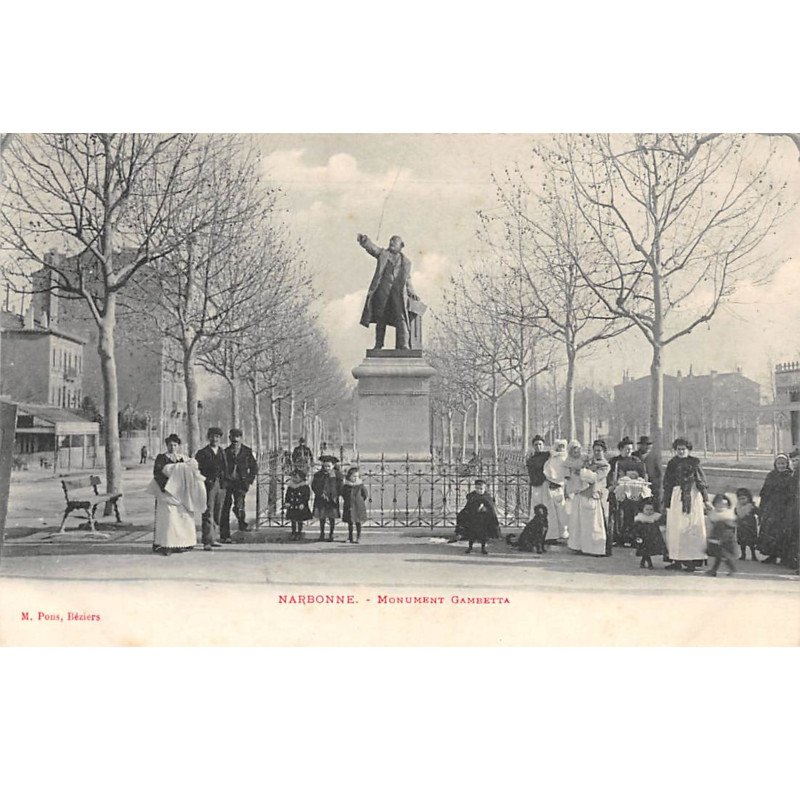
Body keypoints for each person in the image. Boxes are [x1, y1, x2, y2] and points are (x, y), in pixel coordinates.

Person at [356, 233, 421, 350]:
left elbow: (408, 279)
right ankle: (378, 344)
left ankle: (404, 344)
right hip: (383, 292)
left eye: (394, 242)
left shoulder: (406, 262)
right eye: (390, 241)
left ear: (401, 246)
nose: (391, 244)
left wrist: (412, 292)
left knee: (402, 318)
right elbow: (373, 249)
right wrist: (365, 241)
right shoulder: (383, 254)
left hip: (398, 294)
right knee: (381, 318)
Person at [146, 434, 206, 556]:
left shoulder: (183, 458)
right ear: (166, 445)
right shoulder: (161, 458)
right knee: (168, 519)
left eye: (175, 445)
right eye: (170, 445)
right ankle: (166, 544)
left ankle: (182, 543)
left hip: (182, 494)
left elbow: (191, 473)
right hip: (167, 493)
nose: (172, 447)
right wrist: (167, 488)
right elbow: (157, 474)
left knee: (182, 518)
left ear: (178, 446)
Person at [662, 438, 711, 572]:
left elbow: (701, 482)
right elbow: (667, 483)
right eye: (678, 449)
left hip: (692, 496)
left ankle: (691, 560)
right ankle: (676, 559)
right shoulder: (672, 463)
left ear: (688, 450)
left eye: (683, 449)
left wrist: (706, 500)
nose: (681, 451)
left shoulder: (695, 462)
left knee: (690, 528)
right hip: (676, 496)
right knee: (675, 528)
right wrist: (666, 500)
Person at [565, 440, 610, 556]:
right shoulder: (588, 462)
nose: (597, 453)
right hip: (581, 494)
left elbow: (594, 478)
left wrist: (582, 471)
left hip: (592, 495)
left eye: (599, 451)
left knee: (593, 524)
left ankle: (595, 548)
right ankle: (579, 546)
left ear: (604, 451)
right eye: (595, 450)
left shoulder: (605, 465)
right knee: (579, 523)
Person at [607, 437, 648, 547]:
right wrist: (612, 485)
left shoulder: (636, 461)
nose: (629, 451)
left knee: (632, 514)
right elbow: (610, 476)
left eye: (631, 449)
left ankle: (632, 537)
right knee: (619, 515)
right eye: (627, 449)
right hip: (619, 492)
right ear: (620, 449)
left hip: (633, 492)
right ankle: (618, 537)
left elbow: (643, 475)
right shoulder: (615, 461)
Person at [757, 454, 796, 565]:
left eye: (783, 463)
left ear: (787, 464)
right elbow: (764, 492)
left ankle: (783, 556)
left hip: (784, 508)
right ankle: (772, 555)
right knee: (770, 531)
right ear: (775, 464)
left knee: (783, 532)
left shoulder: (790, 476)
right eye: (779, 463)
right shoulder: (771, 475)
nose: (781, 466)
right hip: (771, 507)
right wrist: (763, 507)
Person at [220, 428, 258, 542]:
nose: (235, 439)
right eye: (233, 437)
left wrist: (249, 480)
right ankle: (225, 535)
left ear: (241, 438)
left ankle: (242, 526)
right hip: (228, 483)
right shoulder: (225, 452)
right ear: (230, 438)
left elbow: (254, 467)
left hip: (241, 483)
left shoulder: (247, 451)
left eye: (237, 437)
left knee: (239, 506)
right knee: (225, 508)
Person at [526, 435, 566, 541]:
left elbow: (559, 460)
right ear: (533, 446)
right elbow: (531, 474)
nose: (538, 446)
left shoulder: (548, 456)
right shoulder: (531, 459)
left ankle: (551, 536)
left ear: (543, 445)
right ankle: (535, 534)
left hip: (547, 485)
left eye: (540, 444)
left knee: (550, 510)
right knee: (537, 510)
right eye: (536, 445)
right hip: (537, 486)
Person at [195, 426, 228, 551]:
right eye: (213, 436)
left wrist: (225, 482)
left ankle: (214, 537)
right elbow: (197, 470)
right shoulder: (202, 453)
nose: (215, 439)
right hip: (208, 485)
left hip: (221, 485)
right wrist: (206, 480)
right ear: (209, 438)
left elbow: (226, 468)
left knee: (218, 511)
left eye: (218, 437)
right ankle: (207, 540)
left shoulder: (222, 452)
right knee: (208, 511)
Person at [456, 479, 501, 555]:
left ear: (485, 488)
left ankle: (483, 548)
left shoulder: (487, 497)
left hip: (483, 520)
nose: (479, 490)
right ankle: (470, 547)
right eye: (477, 488)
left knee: (483, 535)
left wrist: (485, 509)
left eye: (481, 489)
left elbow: (491, 508)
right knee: (471, 534)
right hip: (473, 519)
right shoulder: (472, 496)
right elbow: (468, 507)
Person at [542, 439, 569, 539]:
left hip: (561, 487)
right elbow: (548, 469)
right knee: (551, 512)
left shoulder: (566, 458)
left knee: (562, 512)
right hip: (550, 486)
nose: (561, 448)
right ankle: (552, 534)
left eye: (563, 446)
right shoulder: (552, 457)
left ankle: (563, 532)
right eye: (559, 446)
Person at [706, 493, 738, 577]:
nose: (720, 506)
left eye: (723, 504)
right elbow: (712, 523)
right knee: (719, 554)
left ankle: (731, 568)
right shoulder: (714, 513)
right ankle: (715, 570)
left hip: (725, 537)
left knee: (722, 554)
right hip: (716, 536)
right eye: (718, 503)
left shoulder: (728, 514)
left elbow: (731, 525)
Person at [312, 455, 342, 542]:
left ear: (333, 466)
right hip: (321, 499)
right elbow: (314, 486)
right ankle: (322, 533)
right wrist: (320, 494)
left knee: (331, 517)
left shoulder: (337, 475)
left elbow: (340, 487)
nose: (327, 468)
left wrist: (336, 495)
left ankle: (331, 534)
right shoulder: (318, 475)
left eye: (329, 466)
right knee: (322, 517)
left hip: (332, 499)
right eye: (325, 466)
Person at [633, 499, 666, 570]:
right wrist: (637, 536)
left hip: (652, 537)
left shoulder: (655, 517)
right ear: (643, 510)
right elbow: (637, 529)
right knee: (645, 550)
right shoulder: (640, 518)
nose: (649, 511)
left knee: (647, 551)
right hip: (643, 537)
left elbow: (660, 524)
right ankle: (649, 563)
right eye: (647, 509)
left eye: (651, 510)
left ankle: (643, 562)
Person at [341, 466, 368, 543]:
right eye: (353, 476)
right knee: (350, 522)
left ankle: (358, 536)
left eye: (357, 476)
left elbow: (365, 494)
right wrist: (348, 501)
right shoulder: (346, 486)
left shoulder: (360, 486)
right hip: (349, 505)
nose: (355, 478)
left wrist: (360, 501)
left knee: (358, 522)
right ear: (349, 477)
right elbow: (343, 494)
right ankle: (350, 537)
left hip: (358, 506)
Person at [284, 469, 312, 541]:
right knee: (293, 520)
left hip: (300, 506)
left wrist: (303, 503)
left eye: (296, 477)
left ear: (301, 478)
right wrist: (287, 502)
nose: (294, 479)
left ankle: (299, 533)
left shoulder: (304, 486)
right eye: (293, 477)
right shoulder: (291, 486)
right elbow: (287, 495)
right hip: (292, 505)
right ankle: (293, 533)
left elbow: (306, 496)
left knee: (299, 520)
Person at [634, 435, 662, 502]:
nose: (648, 447)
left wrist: (654, 484)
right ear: (640, 445)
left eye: (649, 445)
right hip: (637, 486)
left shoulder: (655, 456)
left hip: (652, 486)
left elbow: (659, 473)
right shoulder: (634, 455)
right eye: (645, 445)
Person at [734, 487, 759, 561]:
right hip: (741, 527)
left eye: (744, 498)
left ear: (748, 498)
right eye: (740, 499)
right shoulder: (737, 508)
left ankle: (753, 555)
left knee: (751, 542)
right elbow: (734, 515)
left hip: (750, 527)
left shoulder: (751, 506)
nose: (742, 501)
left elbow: (759, 512)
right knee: (742, 542)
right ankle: (743, 554)